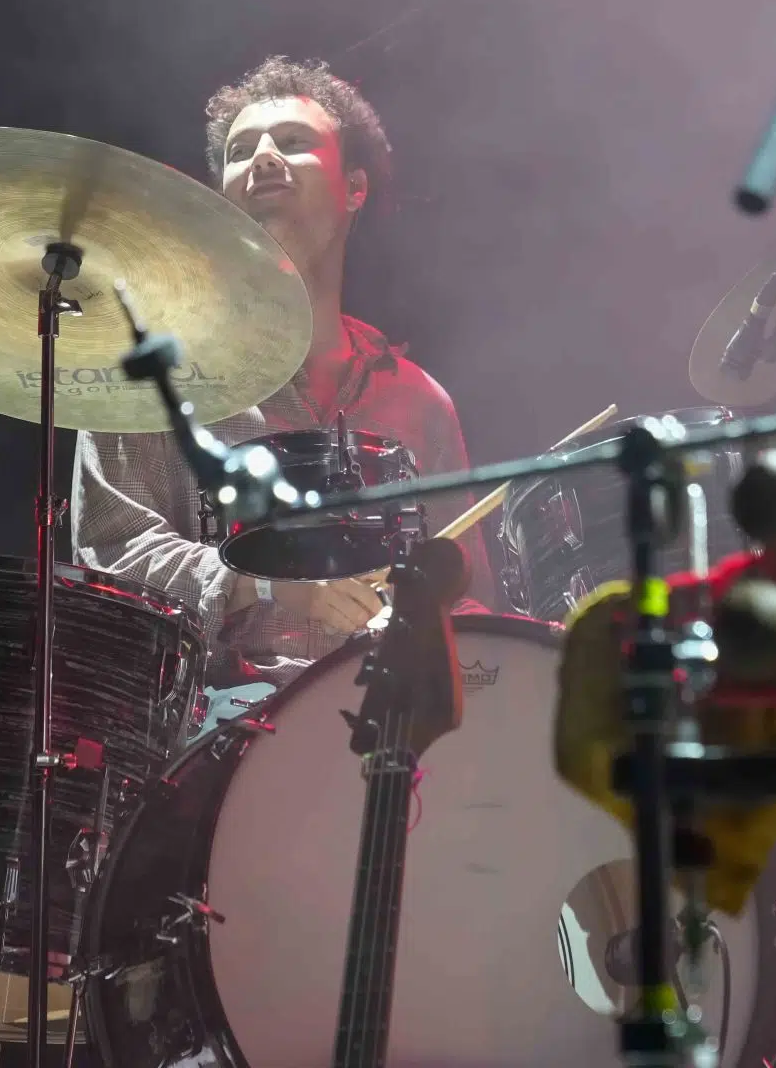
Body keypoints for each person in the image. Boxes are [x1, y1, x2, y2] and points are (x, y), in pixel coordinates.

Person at [71, 55, 493, 693]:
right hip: (215, 730)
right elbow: (113, 556)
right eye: (241, 151)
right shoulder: (149, 376)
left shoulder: (418, 400)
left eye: (292, 141)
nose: (264, 158)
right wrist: (265, 584)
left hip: (391, 729)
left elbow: (465, 598)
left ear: (354, 188)